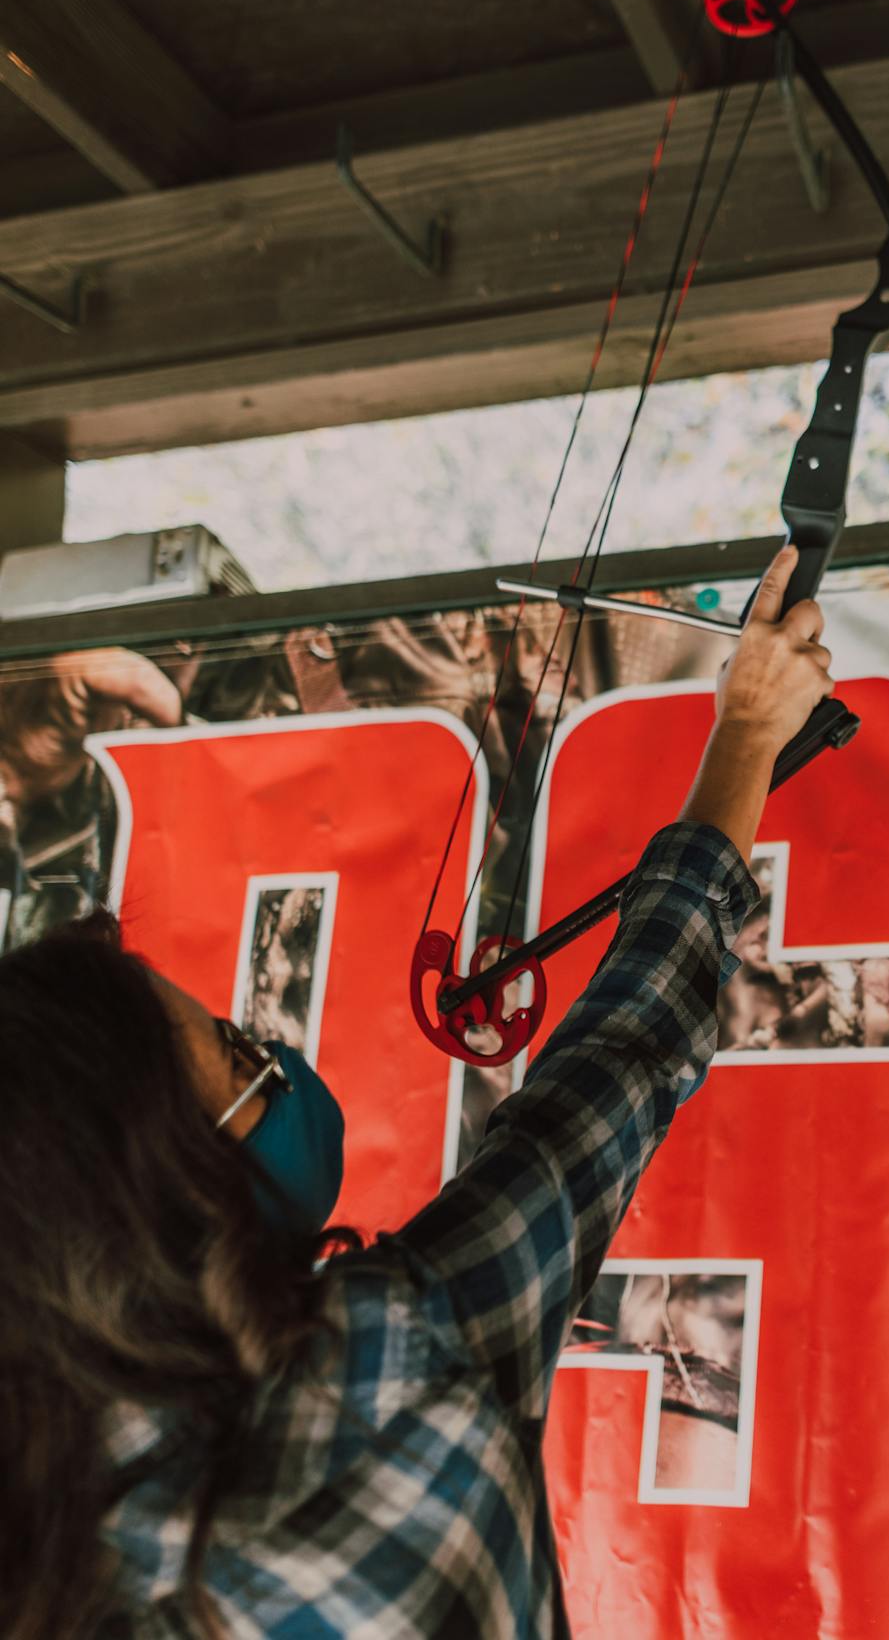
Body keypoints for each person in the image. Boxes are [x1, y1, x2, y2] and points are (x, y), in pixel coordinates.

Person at [0, 547, 833, 1640]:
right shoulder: (393, 1370)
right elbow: (614, 1068)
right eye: (245, 1057)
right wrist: (748, 735)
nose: (283, 1068)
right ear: (173, 1186)